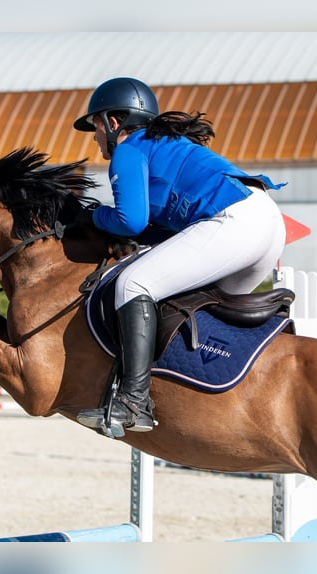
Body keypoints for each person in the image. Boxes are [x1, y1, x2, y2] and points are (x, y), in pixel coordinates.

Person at [73, 77, 287, 435]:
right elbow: (159, 229)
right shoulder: (163, 145)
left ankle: (133, 403)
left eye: (95, 125)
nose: (95, 137)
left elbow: (130, 220)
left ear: (114, 122)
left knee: (134, 283)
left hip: (235, 223)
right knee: (189, 307)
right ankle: (200, 399)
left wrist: (90, 216)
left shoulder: (129, 149)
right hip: (266, 224)